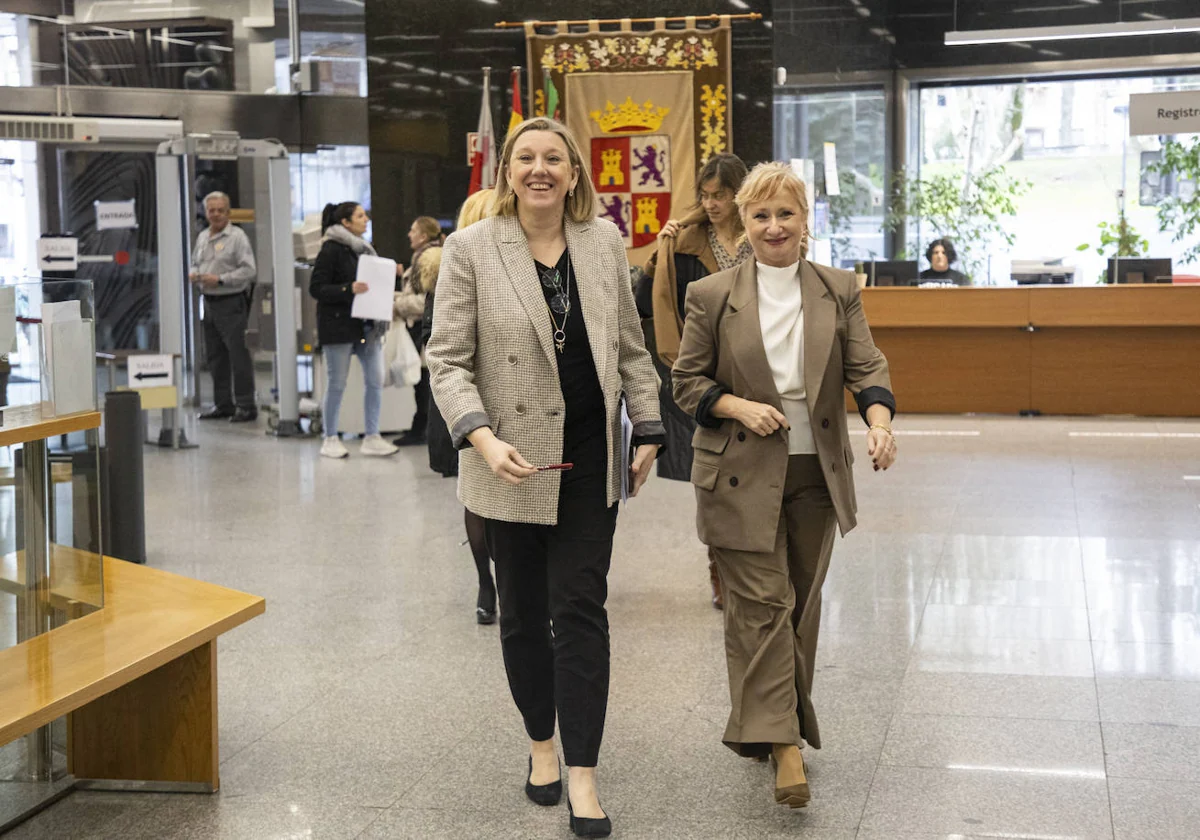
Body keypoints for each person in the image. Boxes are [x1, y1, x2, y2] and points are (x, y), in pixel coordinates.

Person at [427, 117, 664, 838]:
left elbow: (629, 345)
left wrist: (648, 425)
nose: (539, 169)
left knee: (582, 612)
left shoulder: (604, 243)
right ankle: (541, 746)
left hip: (591, 461)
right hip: (509, 460)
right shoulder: (470, 249)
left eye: (552, 158)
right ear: (508, 174)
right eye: (525, 158)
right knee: (525, 617)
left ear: (572, 173)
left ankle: (584, 777)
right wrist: (480, 436)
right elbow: (446, 359)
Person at [672, 161, 897, 810]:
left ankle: (764, 727)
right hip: (738, 472)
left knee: (797, 605)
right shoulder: (712, 295)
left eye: (786, 214)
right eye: (760, 215)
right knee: (765, 606)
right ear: (744, 222)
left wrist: (879, 421)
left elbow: (867, 365)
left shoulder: (837, 288)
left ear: (806, 221)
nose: (774, 226)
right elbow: (686, 382)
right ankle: (787, 745)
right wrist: (737, 406)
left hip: (814, 475)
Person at [641, 152, 751, 610]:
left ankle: (749, 564)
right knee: (711, 475)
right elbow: (658, 301)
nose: (710, 204)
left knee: (753, 474)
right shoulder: (683, 241)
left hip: (756, 367)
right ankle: (718, 567)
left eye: (719, 195)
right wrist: (656, 255)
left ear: (739, 194)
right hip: (705, 372)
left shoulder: (759, 236)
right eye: (704, 196)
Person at [422, 189, 497, 624]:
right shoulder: (457, 265)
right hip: (465, 400)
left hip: (515, 399)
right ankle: (486, 583)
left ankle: (506, 582)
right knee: (476, 495)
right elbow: (440, 342)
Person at [309, 201, 400, 459]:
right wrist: (348, 289)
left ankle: (372, 435)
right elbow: (316, 288)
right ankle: (330, 437)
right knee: (336, 383)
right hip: (337, 325)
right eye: (360, 216)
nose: (366, 219)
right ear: (346, 223)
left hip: (367, 325)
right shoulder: (331, 249)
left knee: (375, 379)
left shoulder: (364, 249)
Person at [191, 191, 258, 422]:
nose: (216, 214)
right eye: (212, 210)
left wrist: (220, 280)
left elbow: (249, 271)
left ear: (228, 213)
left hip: (231, 302)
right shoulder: (202, 237)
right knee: (215, 357)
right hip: (208, 303)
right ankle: (223, 404)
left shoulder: (237, 237)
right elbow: (194, 262)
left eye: (221, 210)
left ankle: (246, 405)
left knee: (238, 356)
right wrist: (195, 274)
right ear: (206, 212)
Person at [392, 216, 442, 446]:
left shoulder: (429, 260)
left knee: (425, 384)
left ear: (423, 236)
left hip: (426, 330)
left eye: (413, 230)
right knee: (422, 383)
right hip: (422, 329)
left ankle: (422, 429)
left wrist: (396, 305)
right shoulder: (422, 259)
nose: (408, 235)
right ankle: (421, 428)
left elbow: (426, 302)